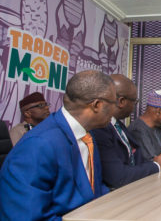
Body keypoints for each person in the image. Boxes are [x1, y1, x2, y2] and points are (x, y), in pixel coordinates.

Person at [0, 70, 114, 220]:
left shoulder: (87, 135)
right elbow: (26, 216)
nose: (115, 109)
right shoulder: (38, 145)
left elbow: (95, 189)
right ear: (97, 105)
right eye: (114, 102)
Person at [91, 74, 161, 189]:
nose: (134, 107)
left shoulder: (119, 126)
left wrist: (157, 162)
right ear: (121, 102)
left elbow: (139, 161)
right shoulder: (99, 129)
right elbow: (118, 177)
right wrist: (157, 165)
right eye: (134, 102)